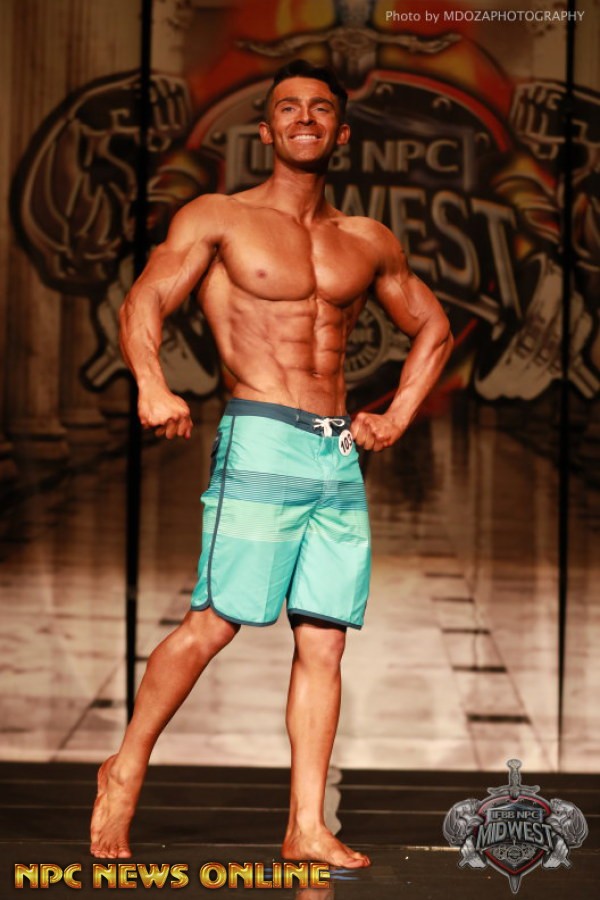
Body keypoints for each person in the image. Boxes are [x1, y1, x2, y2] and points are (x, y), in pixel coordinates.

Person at [90, 59, 453, 867]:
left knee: (325, 641)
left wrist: (396, 414)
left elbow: (433, 327)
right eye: (288, 107)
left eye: (320, 108)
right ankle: (126, 765)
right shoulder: (219, 217)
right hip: (260, 433)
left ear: (341, 132)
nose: (304, 118)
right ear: (266, 129)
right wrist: (151, 382)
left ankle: (306, 826)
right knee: (214, 621)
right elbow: (145, 297)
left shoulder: (367, 240)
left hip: (336, 453)